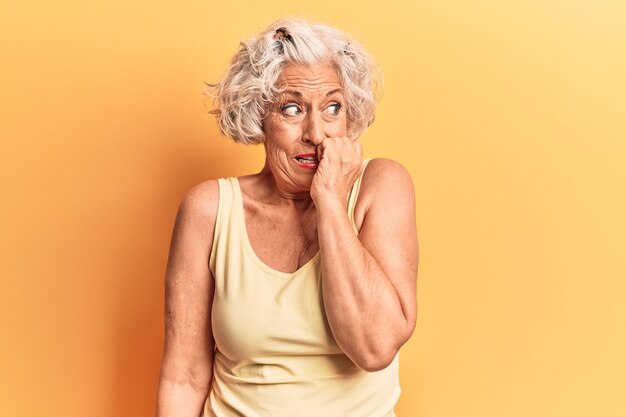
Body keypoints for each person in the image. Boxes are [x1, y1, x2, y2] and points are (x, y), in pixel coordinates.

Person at [155, 18, 419, 417]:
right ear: (258, 116)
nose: (316, 133)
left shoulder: (380, 187)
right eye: (292, 109)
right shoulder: (208, 210)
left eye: (333, 107)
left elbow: (376, 347)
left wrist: (330, 199)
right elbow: (184, 376)